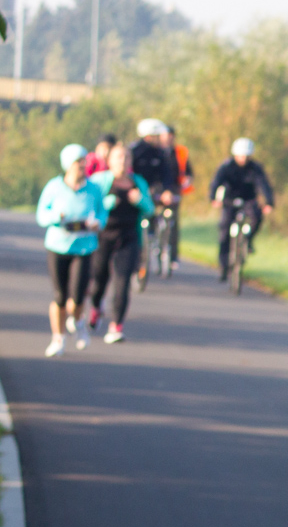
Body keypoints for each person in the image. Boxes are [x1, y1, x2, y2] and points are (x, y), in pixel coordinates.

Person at [36, 144, 107, 357]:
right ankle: (58, 338)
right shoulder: (54, 187)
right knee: (59, 296)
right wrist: (56, 217)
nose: (82, 166)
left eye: (84, 162)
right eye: (78, 162)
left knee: (77, 298)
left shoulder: (94, 189)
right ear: (68, 165)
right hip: (58, 246)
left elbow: (103, 212)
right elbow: (41, 215)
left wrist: (97, 224)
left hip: (84, 248)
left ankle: (78, 321)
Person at [87, 142, 153, 343]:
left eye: (127, 157)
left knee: (122, 282)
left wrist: (139, 200)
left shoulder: (138, 182)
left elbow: (150, 209)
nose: (123, 161)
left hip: (129, 237)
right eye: (119, 157)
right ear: (109, 161)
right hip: (103, 237)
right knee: (99, 279)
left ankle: (116, 326)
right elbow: (89, 206)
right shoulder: (99, 181)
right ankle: (97, 306)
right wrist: (105, 204)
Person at [209, 137, 274, 281]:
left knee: (256, 217)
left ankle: (248, 241)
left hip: (249, 200)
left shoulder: (255, 168)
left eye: (246, 156)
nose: (243, 159)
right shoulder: (226, 166)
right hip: (229, 200)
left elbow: (264, 185)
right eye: (240, 156)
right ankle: (224, 265)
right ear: (235, 154)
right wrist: (213, 198)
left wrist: (269, 202)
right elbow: (216, 182)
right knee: (225, 229)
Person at [130, 118, 180, 272]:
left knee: (168, 213)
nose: (161, 139)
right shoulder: (134, 151)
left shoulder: (161, 153)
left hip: (155, 192)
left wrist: (167, 191)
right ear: (149, 136)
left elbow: (167, 175)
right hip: (137, 193)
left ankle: (160, 241)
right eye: (158, 136)